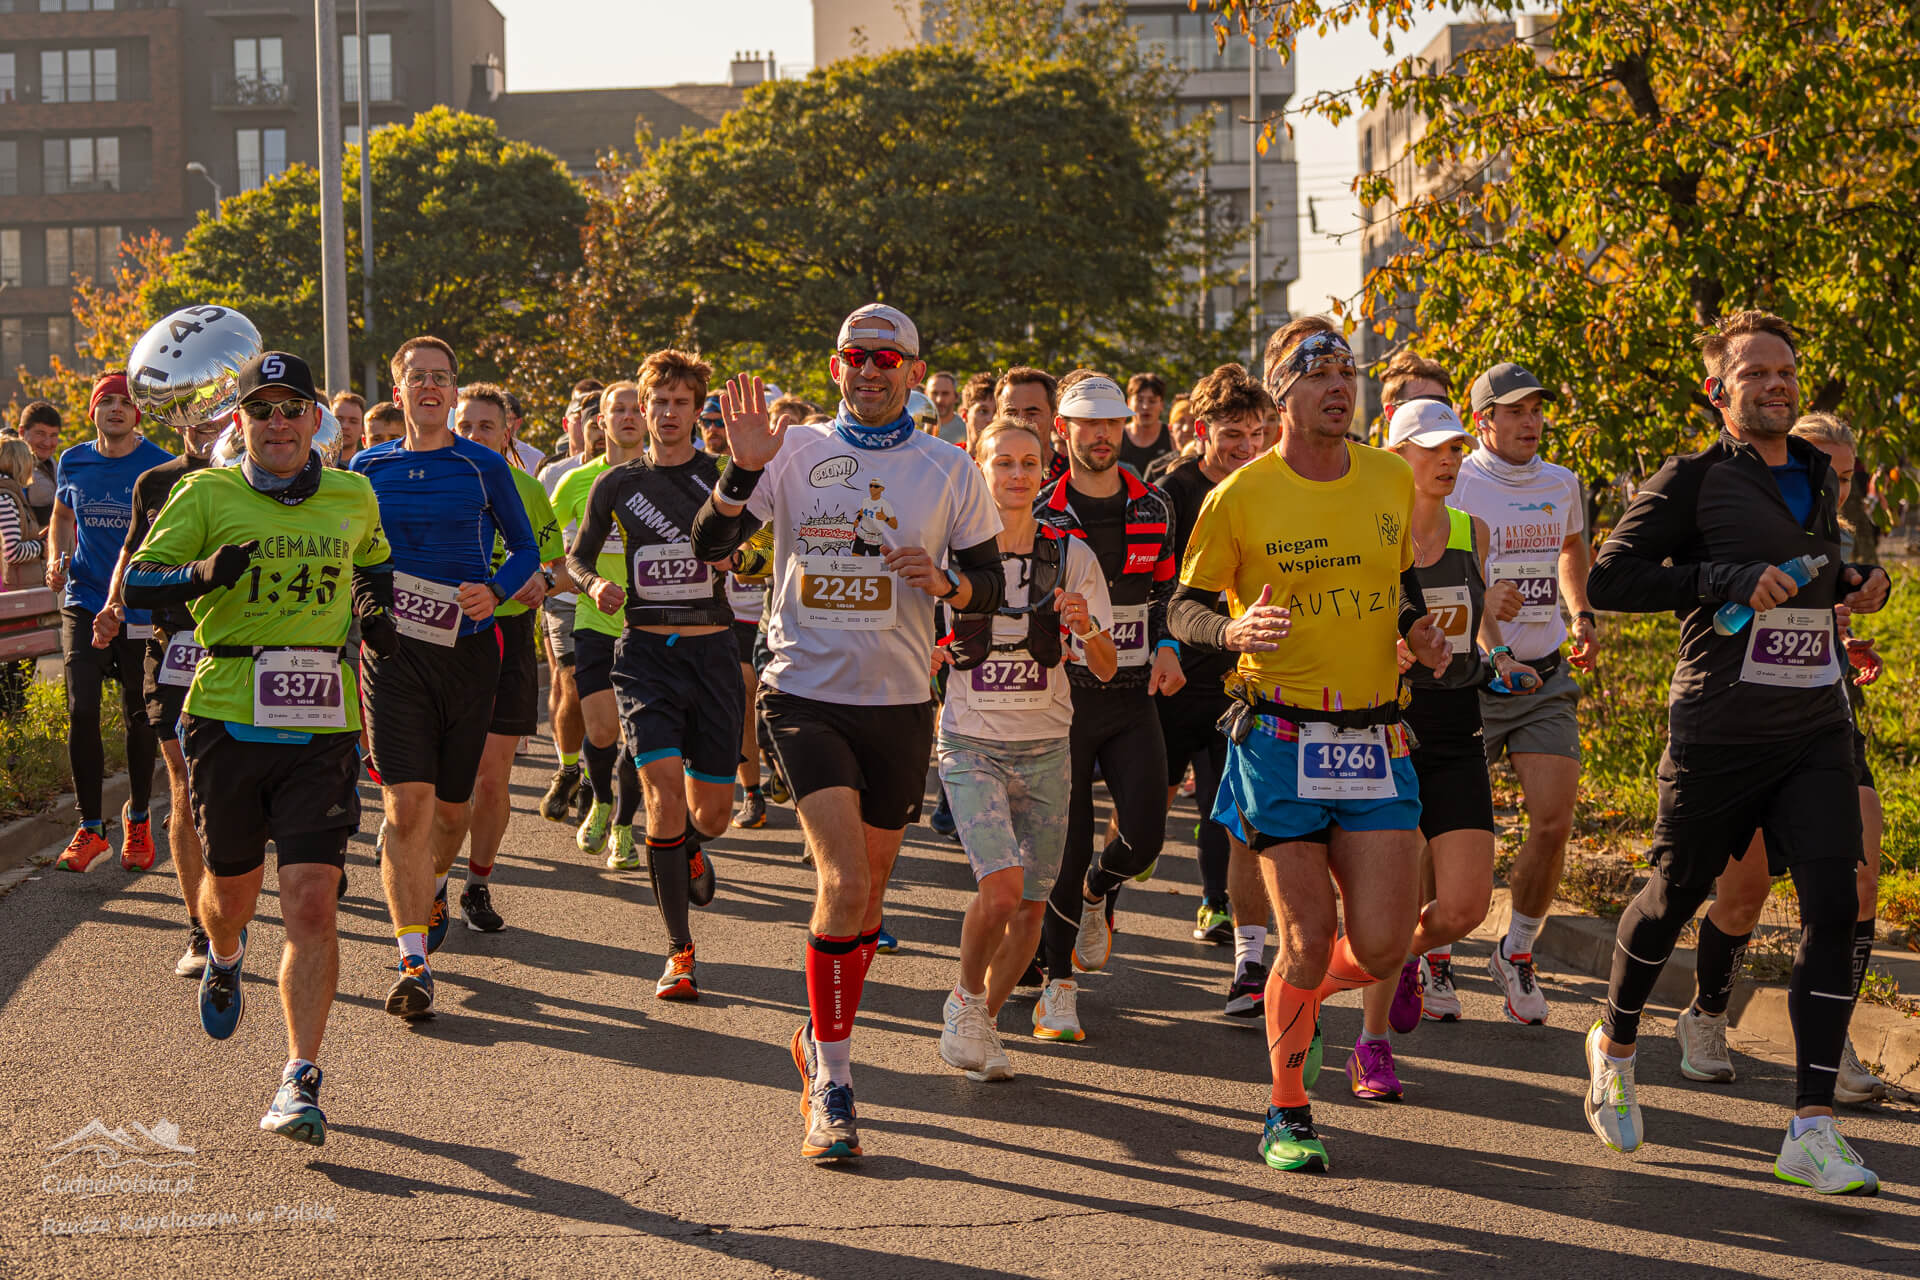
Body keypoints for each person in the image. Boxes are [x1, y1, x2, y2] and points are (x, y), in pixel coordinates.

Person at [1584, 309, 1890, 1194]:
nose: (1777, 384)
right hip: (1718, 728)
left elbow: (1809, 571)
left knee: (1835, 903)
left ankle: (1810, 1126)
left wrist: (1858, 584)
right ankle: (1617, 1039)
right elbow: (1611, 576)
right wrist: (1718, 580)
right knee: (1676, 893)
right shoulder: (1692, 477)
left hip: (1813, 726)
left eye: (1787, 371)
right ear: (1718, 391)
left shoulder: (1812, 474)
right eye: (1756, 372)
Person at [691, 302, 1004, 1162]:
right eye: (853, 357)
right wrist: (734, 475)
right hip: (804, 691)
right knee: (842, 880)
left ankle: (815, 1035)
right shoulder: (789, 451)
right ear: (836, 368)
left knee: (870, 892)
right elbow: (710, 543)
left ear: (911, 369)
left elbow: (989, 584)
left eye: (885, 358)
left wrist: (947, 585)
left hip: (901, 699)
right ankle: (833, 1080)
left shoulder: (949, 467)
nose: (868, 370)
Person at [1169, 317, 1451, 1173]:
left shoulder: (1385, 480)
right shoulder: (1239, 496)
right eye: (1318, 375)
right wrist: (1231, 627)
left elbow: (1397, 584)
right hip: (1279, 734)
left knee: (1381, 946)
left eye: (1348, 374)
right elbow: (1182, 610)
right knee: (1302, 934)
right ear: (1281, 392)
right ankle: (1286, 1109)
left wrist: (1421, 634)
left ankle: (1298, 1000)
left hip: (1374, 734)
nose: (1339, 388)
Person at [124, 349, 394, 1145]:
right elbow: (140, 581)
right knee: (233, 893)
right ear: (240, 422)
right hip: (227, 712)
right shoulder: (205, 493)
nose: (277, 422)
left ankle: (299, 1077)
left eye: (291, 407)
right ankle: (223, 947)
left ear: (316, 417)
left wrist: (374, 613)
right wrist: (204, 570)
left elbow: (373, 565)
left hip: (321, 719)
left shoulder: (353, 492)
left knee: (312, 899)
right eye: (261, 409)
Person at [1673, 411, 1909, 1106]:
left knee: (1855, 887)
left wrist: (1864, 600)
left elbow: (1857, 586)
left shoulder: (1830, 530)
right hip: (1744, 725)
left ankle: (1828, 1033)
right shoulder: (1747, 516)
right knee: (1742, 896)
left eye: (1841, 477)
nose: (1830, 488)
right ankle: (1706, 1015)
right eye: (1821, 472)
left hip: (1826, 725)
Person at [1348, 399, 1539, 1097]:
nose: (1449, 461)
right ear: (1395, 455)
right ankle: (1371, 1048)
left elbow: (1477, 625)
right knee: (1393, 903)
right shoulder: (1367, 534)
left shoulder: (1472, 529)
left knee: (1460, 908)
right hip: (1385, 731)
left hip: (1458, 727)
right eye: (1433, 449)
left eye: (1457, 449)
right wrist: (1383, 651)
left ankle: (1403, 958)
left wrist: (1503, 655)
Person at [350, 336, 538, 1020]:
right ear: (398, 392)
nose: (430, 387)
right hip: (395, 657)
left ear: (455, 393)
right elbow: (350, 552)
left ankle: (431, 885)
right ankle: (412, 961)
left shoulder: (483, 466)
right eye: (417, 378)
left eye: (442, 378)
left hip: (468, 652)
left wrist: (495, 590)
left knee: (452, 810)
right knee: (405, 807)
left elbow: (526, 550)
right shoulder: (365, 466)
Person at [935, 415, 1115, 1079]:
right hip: (971, 744)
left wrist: (1085, 623)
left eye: (1028, 464)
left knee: (1033, 906)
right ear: (978, 468)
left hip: (1046, 747)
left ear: (1047, 471)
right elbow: (914, 642)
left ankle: (979, 1020)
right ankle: (964, 997)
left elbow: (1101, 665)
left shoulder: (1072, 557)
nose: (1015, 475)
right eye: (1002, 462)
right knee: (1003, 891)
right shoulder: (951, 553)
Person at [568, 349, 739, 999]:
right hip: (643, 657)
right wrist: (596, 588)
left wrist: (735, 561)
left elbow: (746, 549)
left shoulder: (719, 478)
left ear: (698, 412)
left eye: (680, 403)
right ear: (642, 411)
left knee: (711, 814)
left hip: (714, 654)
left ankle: (694, 844)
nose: (668, 414)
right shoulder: (615, 484)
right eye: (657, 403)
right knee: (662, 794)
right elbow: (578, 560)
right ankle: (679, 951)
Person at [1029, 371, 1184, 1042]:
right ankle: (1055, 986)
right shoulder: (1041, 512)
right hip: (1063, 699)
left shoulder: (1155, 506)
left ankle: (1099, 890)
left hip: (1130, 695)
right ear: (1062, 430)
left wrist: (1173, 643)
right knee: (1064, 849)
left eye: (1112, 424)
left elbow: (1168, 595)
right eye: (1087, 424)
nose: (1101, 436)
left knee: (1145, 837)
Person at [1446, 360, 1595, 1025]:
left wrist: (1582, 614)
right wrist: (1490, 634)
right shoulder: (1459, 481)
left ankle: (1518, 950)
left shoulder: (1561, 483)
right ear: (1484, 420)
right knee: (1448, 828)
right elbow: (1446, 574)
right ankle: (1436, 952)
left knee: (1554, 818)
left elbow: (1571, 549)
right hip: (1473, 681)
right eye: (1515, 411)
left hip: (1544, 677)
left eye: (1536, 410)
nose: (1530, 422)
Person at [1151, 365, 1274, 1014]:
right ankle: (1108, 888)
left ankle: (1235, 940)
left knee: (1229, 813)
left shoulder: (1269, 489)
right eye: (1234, 434)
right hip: (1176, 674)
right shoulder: (1174, 491)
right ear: (1201, 432)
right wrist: (1163, 647)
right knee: (1147, 817)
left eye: (1258, 433)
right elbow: (1157, 587)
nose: (1248, 446)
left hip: (1238, 681)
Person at [97, 407, 229, 971]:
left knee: (233, 787)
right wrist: (112, 602)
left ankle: (232, 905)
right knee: (182, 781)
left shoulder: (251, 478)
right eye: (194, 414)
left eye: (217, 412)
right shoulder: (154, 481)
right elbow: (131, 553)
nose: (204, 423)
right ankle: (200, 930)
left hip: (242, 646)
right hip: (172, 644)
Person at [451, 382, 565, 932]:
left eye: (485, 427)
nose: (474, 436)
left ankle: (476, 884)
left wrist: (539, 581)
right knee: (438, 776)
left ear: (507, 432)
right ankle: (426, 882)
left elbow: (558, 566)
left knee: (492, 778)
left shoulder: (525, 486)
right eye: (465, 425)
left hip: (507, 641)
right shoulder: (430, 479)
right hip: (440, 640)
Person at [47, 373, 170, 872]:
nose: (115, 409)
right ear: (93, 411)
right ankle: (90, 827)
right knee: (81, 707)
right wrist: (57, 555)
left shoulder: (159, 464)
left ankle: (138, 818)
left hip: (137, 607)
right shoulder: (72, 460)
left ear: (136, 413)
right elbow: (59, 515)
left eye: (124, 402)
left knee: (139, 718)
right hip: (83, 599)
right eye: (106, 402)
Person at [551, 384, 647, 867]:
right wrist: (555, 579)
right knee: (604, 730)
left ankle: (625, 825)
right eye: (618, 410)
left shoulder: (661, 479)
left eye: (636, 409)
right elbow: (546, 545)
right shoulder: (574, 482)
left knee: (640, 735)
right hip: (594, 621)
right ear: (600, 422)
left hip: (651, 625)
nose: (628, 417)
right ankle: (601, 798)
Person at [535, 391, 603, 822]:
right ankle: (568, 769)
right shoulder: (558, 473)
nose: (598, 430)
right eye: (591, 421)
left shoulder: (637, 472)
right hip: (565, 595)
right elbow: (539, 535)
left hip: (620, 598)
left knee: (606, 694)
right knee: (573, 683)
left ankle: (597, 779)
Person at [997, 367, 1066, 485]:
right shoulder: (980, 477)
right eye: (1011, 413)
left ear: (1054, 418)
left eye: (1032, 413)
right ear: (998, 417)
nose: (1020, 421)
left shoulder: (1075, 478)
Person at [1374, 351, 1453, 446]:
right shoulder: (1367, 461)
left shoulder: (1456, 459)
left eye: (1443, 405)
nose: (1436, 415)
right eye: (1422, 407)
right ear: (1391, 412)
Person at [1119, 372, 1172, 476]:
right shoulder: (1117, 436)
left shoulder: (1172, 437)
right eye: (1139, 400)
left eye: (1152, 401)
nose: (1145, 406)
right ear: (1128, 403)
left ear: (1162, 405)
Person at [18, 400, 61, 525]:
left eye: (53, 435)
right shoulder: (10, 468)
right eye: (40, 434)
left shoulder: (55, 466)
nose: (47, 443)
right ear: (21, 432)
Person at [926, 371, 969, 446]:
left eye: (945, 393)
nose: (939, 399)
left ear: (956, 397)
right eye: (934, 393)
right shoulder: (914, 426)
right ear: (925, 395)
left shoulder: (967, 429)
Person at [330, 391, 365, 465]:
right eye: (338, 419)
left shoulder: (367, 467)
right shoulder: (312, 465)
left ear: (363, 428)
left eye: (353, 421)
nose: (345, 426)